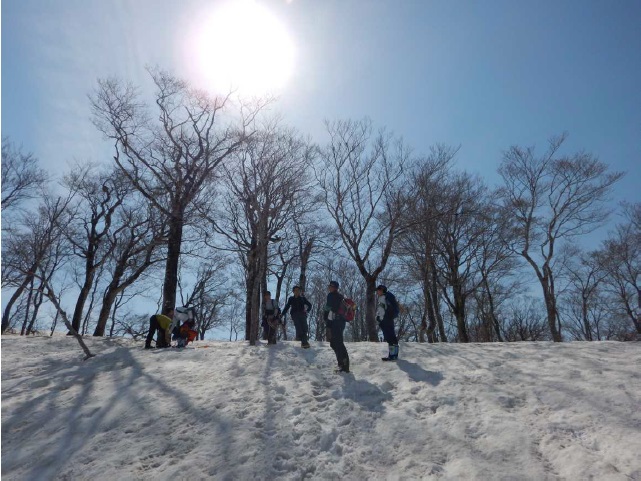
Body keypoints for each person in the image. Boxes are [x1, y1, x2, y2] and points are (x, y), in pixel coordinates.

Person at [324, 280, 350, 373]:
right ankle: (342, 364)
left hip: (336, 321)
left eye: (330, 286)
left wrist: (325, 316)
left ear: (334, 287)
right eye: (329, 286)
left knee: (338, 343)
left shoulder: (332, 295)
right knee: (334, 343)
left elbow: (329, 307)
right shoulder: (340, 296)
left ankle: (344, 366)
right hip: (339, 321)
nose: (329, 287)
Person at [376, 285, 400, 361]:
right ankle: (394, 355)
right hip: (390, 319)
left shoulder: (383, 297)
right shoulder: (389, 296)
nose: (377, 292)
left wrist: (379, 319)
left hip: (386, 320)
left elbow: (382, 310)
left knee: (389, 338)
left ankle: (392, 356)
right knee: (392, 337)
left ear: (382, 290)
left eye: (378, 290)